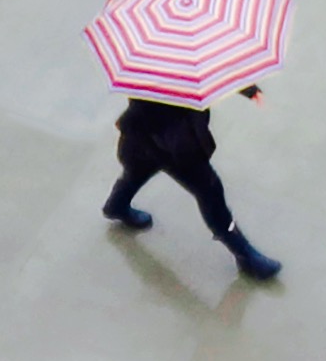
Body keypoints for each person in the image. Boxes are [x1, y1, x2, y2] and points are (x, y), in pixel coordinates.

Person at [102, 79, 280, 279]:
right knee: (210, 192)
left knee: (137, 171)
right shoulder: (168, 76)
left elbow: (212, 68)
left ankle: (116, 205)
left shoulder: (148, 64)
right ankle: (245, 256)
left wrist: (248, 89)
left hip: (140, 138)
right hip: (174, 146)